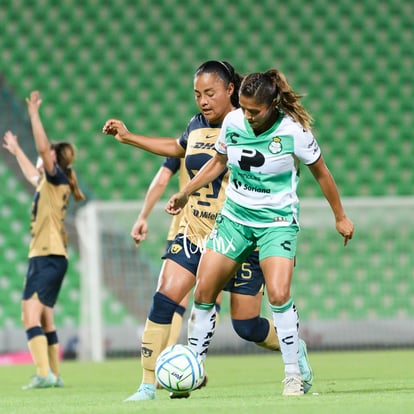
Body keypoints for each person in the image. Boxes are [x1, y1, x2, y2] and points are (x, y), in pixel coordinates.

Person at [103, 61, 312, 401]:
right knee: (164, 298)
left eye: (210, 93)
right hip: (195, 230)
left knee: (246, 326)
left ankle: (293, 348)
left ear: (231, 90)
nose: (202, 101)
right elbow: (178, 147)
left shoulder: (247, 124)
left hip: (239, 234)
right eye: (197, 94)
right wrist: (128, 138)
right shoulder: (196, 126)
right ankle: (147, 385)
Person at [166, 69, 354, 396]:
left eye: (254, 111)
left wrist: (340, 216)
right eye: (243, 108)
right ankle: (193, 367)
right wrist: (187, 191)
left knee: (279, 295)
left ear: (270, 105)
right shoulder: (234, 122)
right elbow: (218, 161)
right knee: (204, 289)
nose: (247, 116)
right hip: (235, 219)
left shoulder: (295, 132)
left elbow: (322, 174)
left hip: (277, 222)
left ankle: (294, 373)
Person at [2, 91, 85, 390]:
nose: (41, 155)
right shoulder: (51, 185)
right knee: (46, 318)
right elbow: (29, 173)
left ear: (53, 159)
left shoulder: (55, 179)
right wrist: (15, 151)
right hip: (52, 256)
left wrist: (34, 114)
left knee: (29, 316)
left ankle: (44, 374)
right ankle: (53, 374)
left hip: (46, 255)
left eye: (45, 153)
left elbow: (41, 149)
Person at [131, 156, 222, 350]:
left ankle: (163, 360)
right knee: (211, 298)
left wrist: (143, 216)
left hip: (185, 229)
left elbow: (162, 178)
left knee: (173, 297)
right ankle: (196, 360)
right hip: (222, 233)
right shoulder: (235, 137)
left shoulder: (187, 141)